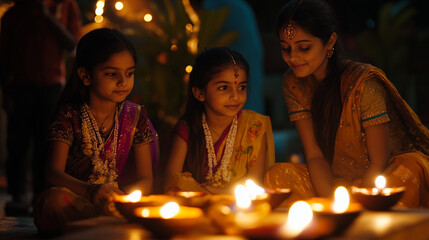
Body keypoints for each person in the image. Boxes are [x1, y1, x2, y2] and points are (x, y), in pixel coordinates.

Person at [265, 0, 429, 208]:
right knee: (279, 174)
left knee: (412, 168)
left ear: (330, 41)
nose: (293, 57)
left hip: (380, 181)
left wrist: (361, 204)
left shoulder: (363, 83)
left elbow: (379, 161)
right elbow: (314, 155)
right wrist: (332, 206)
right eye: (285, 49)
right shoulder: (293, 82)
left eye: (304, 48)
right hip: (334, 183)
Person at [33, 28, 157, 234]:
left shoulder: (136, 116)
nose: (123, 82)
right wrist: (92, 191)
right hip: (78, 200)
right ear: (85, 75)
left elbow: (146, 179)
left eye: (130, 73)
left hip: (117, 202)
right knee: (53, 202)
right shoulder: (69, 116)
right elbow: (53, 174)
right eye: (111, 74)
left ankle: (101, 227)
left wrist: (122, 200)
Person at [0, 0, 81, 216]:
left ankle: (40, 196)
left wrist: (47, 16)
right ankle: (17, 196)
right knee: (17, 144)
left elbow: (73, 43)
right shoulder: (14, 14)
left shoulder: (66, 6)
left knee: (47, 145)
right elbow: (4, 59)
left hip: (52, 87)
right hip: (20, 87)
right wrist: (6, 95)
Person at [164, 47, 275, 194]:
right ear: (200, 93)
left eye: (241, 87)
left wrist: (213, 192)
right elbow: (171, 185)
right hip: (197, 210)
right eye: (224, 88)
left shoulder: (254, 127)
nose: (235, 96)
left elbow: (255, 187)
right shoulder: (187, 131)